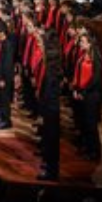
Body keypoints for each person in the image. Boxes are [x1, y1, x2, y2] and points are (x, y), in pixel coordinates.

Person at [72, 30, 102, 162]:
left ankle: (94, 152)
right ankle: (86, 147)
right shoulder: (83, 55)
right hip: (82, 93)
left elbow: (95, 79)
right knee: (83, 123)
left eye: (83, 42)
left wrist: (83, 91)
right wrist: (76, 89)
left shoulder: (96, 57)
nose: (80, 43)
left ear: (90, 44)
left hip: (91, 96)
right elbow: (79, 73)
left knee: (91, 125)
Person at [37, 30, 62, 181]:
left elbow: (52, 98)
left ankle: (52, 171)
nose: (39, 46)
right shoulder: (48, 68)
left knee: (52, 140)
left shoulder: (52, 72)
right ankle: (47, 164)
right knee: (48, 139)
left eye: (41, 44)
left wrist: (44, 113)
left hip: (51, 112)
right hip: (48, 110)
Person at [0, 21, 16, 130]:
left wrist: (2, 79)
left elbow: (7, 65)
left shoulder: (8, 45)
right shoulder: (0, 42)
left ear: (2, 32)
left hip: (5, 77)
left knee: (5, 99)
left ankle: (7, 120)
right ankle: (1, 116)